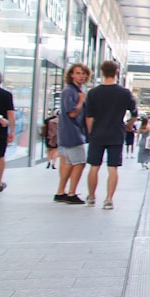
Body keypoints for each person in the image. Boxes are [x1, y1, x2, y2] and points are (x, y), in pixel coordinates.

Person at [83, 60, 138, 209]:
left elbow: (89, 116)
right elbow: (134, 113)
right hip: (116, 133)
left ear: (102, 72)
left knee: (94, 166)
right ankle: (108, 199)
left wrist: (91, 132)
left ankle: (91, 196)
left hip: (97, 133)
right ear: (116, 73)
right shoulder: (124, 93)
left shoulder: (93, 93)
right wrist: (129, 125)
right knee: (113, 167)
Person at [54, 63, 91, 204]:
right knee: (80, 162)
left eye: (83, 73)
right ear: (71, 75)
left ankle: (60, 192)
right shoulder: (70, 91)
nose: (81, 76)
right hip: (72, 132)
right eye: (78, 73)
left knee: (69, 163)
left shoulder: (76, 90)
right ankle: (71, 193)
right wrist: (81, 100)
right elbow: (72, 112)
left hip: (72, 131)